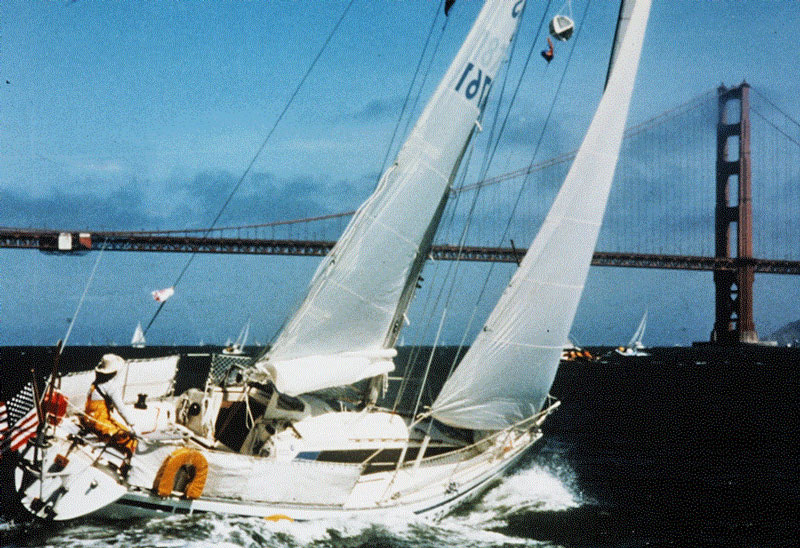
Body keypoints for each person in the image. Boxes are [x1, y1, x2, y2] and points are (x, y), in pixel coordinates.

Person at [80, 354, 139, 456]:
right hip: (99, 423)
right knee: (130, 438)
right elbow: (121, 408)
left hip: (88, 420)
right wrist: (132, 425)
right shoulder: (110, 387)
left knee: (120, 428)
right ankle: (126, 463)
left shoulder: (96, 383)